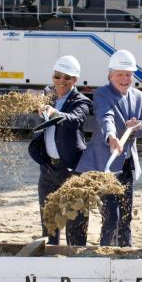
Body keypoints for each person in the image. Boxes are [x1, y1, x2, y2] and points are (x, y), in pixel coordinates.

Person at [76, 50, 142, 247]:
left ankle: (126, 252)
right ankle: (106, 253)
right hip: (105, 164)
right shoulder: (102, 93)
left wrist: (137, 127)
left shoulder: (138, 96)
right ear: (110, 75)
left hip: (126, 165)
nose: (125, 79)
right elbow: (105, 116)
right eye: (120, 74)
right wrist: (111, 136)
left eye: (128, 74)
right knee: (111, 217)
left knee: (126, 215)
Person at [28, 55, 93, 245]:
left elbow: (75, 119)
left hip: (72, 169)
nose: (61, 81)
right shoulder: (47, 94)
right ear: (53, 77)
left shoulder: (81, 101)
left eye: (67, 78)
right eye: (58, 77)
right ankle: (49, 263)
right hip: (47, 168)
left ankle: (76, 263)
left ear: (75, 80)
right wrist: (33, 100)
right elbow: (33, 97)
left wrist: (56, 113)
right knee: (49, 221)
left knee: (76, 222)